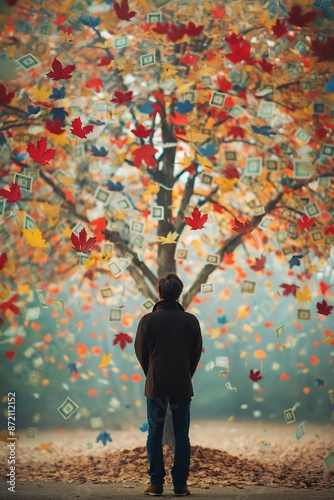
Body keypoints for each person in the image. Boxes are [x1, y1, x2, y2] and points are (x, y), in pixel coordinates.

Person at [134, 273, 203, 497]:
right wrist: (185, 374)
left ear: (160, 293)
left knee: (154, 433)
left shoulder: (147, 321)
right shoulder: (191, 321)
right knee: (182, 435)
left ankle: (156, 483)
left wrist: (152, 374)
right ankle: (180, 485)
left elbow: (141, 353)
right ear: (179, 293)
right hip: (182, 386)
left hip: (156, 387)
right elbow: (195, 355)